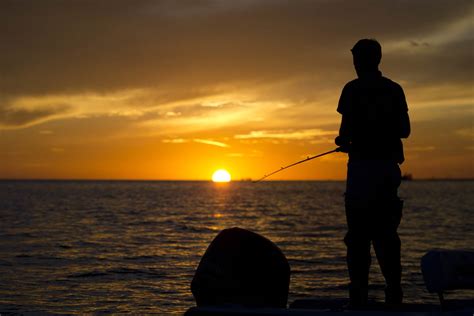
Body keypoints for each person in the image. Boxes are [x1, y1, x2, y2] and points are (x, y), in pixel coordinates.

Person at [335, 39, 411, 307]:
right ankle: (394, 295)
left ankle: (358, 298)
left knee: (358, 237)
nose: (355, 65)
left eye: (357, 59)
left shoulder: (351, 90)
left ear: (363, 61)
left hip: (361, 173)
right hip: (387, 172)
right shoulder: (394, 90)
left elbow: (344, 135)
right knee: (386, 234)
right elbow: (405, 130)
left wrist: (346, 142)